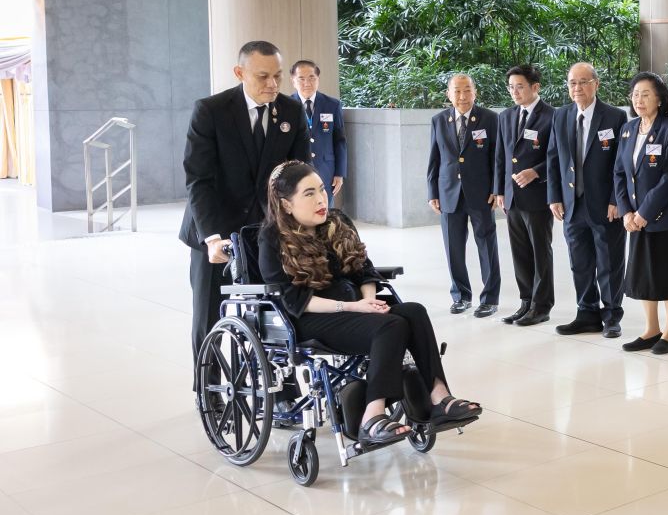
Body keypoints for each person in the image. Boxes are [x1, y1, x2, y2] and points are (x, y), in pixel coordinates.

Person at [259, 161, 481, 443]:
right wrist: (353, 308)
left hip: (356, 308)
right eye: (309, 193)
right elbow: (294, 301)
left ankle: (439, 398)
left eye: (322, 190)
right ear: (286, 204)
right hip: (311, 318)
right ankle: (372, 415)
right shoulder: (273, 238)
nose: (321, 199)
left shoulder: (337, 222)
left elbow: (364, 270)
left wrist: (369, 302)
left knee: (414, 312)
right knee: (390, 326)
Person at [180, 40, 310, 373]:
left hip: (264, 231)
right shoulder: (211, 111)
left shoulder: (291, 112)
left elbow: (299, 176)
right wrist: (213, 237)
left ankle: (277, 385)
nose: (273, 84)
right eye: (263, 76)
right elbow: (199, 180)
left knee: (273, 310)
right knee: (209, 313)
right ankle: (207, 387)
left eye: (277, 76)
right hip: (215, 229)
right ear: (240, 73)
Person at [614, 73, 668, 352]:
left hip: (666, 216)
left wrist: (644, 212)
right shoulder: (628, 129)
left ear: (660, 99)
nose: (639, 99)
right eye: (635, 94)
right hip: (636, 218)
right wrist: (626, 211)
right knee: (644, 274)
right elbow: (619, 173)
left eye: (646, 94)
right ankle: (651, 329)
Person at [547, 62, 628, 338]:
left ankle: (612, 315)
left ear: (596, 84)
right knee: (579, 262)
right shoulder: (561, 116)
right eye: (572, 82)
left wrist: (617, 199)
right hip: (572, 204)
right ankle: (587, 313)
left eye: (583, 82)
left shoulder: (615, 116)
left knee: (609, 262)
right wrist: (554, 196)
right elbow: (553, 158)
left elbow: (621, 162)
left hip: (606, 205)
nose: (577, 88)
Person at [425, 73, 501, 317]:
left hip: (481, 193)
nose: (462, 96)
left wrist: (496, 188)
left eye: (467, 90)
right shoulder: (439, 120)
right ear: (448, 94)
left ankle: (490, 299)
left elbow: (497, 158)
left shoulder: (490, 118)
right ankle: (460, 296)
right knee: (453, 248)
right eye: (457, 91)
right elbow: (434, 159)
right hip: (449, 193)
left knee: (486, 245)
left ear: (475, 92)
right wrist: (432, 191)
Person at [495, 65, 555, 327]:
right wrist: (499, 190)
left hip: (538, 196)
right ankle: (526, 301)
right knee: (520, 253)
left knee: (540, 252)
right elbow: (500, 156)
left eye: (520, 86)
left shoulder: (552, 116)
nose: (514, 92)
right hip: (512, 197)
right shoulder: (506, 116)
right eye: (511, 87)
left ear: (535, 87)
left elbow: (557, 156)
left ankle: (541, 306)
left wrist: (536, 172)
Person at [290, 60, 346, 199]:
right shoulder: (286, 105)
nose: (307, 83)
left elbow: (339, 141)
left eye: (312, 78)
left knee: (325, 208)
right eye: (301, 79)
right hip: (296, 172)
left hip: (326, 171)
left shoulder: (332, 105)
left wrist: (340, 173)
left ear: (318, 79)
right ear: (293, 81)